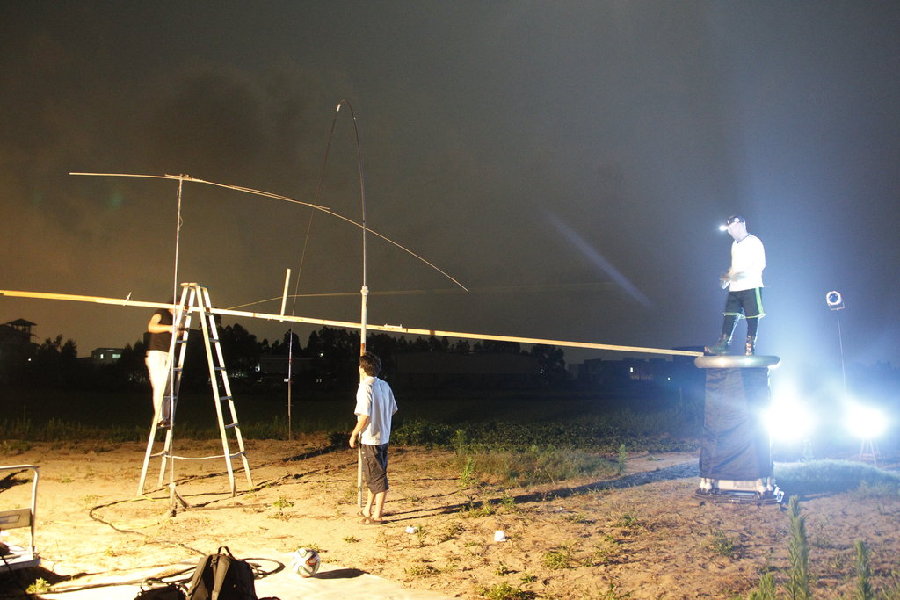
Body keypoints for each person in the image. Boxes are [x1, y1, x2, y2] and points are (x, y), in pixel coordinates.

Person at [705, 215, 766, 356]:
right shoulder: (734, 245)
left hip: (751, 286)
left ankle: (750, 347)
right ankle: (723, 344)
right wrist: (728, 278)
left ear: (740, 224)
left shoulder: (754, 241)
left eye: (731, 228)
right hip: (735, 288)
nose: (730, 232)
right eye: (729, 229)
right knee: (730, 315)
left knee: (752, 316)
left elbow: (760, 264)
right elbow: (735, 266)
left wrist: (741, 275)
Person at [349, 352, 398, 524]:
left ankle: (377, 515)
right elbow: (393, 409)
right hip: (383, 436)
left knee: (377, 477)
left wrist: (354, 434)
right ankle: (367, 509)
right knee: (374, 475)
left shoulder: (365, 387)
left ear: (362, 369)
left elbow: (364, 416)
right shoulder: (384, 385)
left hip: (370, 438)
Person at [145, 303, 178, 426]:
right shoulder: (161, 312)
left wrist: (178, 330)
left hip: (170, 354)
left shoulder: (175, 318)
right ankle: (160, 418)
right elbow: (151, 326)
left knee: (169, 389)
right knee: (160, 386)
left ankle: (167, 418)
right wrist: (169, 328)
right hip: (157, 354)